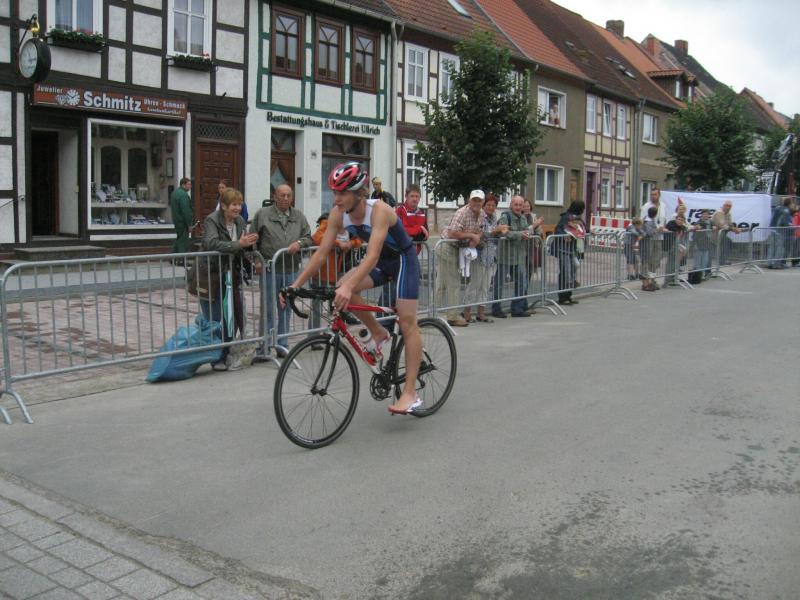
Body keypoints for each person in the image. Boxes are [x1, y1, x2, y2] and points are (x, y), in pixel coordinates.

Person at [284, 162, 424, 415]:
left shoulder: (379, 210)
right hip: (382, 262)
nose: (336, 198)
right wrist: (294, 285)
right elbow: (321, 253)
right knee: (341, 287)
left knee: (407, 322)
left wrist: (349, 286)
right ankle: (378, 332)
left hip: (403, 260)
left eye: (342, 193)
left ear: (359, 193)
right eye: (334, 192)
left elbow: (371, 255)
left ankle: (410, 393)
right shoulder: (338, 214)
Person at [250, 184, 312, 355]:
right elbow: (252, 238)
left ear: (292, 197)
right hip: (269, 269)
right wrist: (256, 260)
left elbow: (308, 237)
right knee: (268, 309)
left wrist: (299, 243)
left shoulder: (298, 216)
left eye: (288, 195)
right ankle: (264, 347)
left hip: (290, 269)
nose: (285, 198)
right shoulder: (263, 214)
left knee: (286, 308)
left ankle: (282, 344)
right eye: (282, 195)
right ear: (274, 196)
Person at [201, 188, 258, 371]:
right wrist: (238, 244)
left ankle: (226, 353)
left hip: (232, 274)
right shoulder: (212, 220)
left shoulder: (240, 221)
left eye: (239, 204)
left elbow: (242, 246)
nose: (237, 208)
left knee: (231, 316)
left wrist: (250, 244)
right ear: (224, 205)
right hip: (213, 274)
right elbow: (211, 243)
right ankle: (215, 356)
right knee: (216, 316)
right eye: (234, 204)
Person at [438, 190, 486, 327]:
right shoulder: (462, 213)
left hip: (456, 248)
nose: (476, 203)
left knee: (441, 283)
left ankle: (433, 312)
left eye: (479, 200)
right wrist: (472, 236)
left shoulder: (482, 214)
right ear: (469, 201)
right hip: (448, 247)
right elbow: (452, 233)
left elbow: (480, 230)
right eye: (474, 200)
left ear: (483, 202)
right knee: (453, 283)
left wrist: (476, 239)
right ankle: (452, 317)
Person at [308, 212, 362, 331]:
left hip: (340, 269)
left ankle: (336, 332)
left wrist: (351, 243)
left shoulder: (351, 226)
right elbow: (317, 238)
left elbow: (360, 239)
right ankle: (313, 334)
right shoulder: (326, 222)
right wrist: (338, 243)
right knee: (317, 305)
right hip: (322, 271)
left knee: (339, 303)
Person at [463, 193, 507, 323]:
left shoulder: (494, 218)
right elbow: (479, 234)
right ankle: (466, 312)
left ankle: (481, 313)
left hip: (490, 256)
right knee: (475, 284)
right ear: (484, 205)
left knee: (485, 286)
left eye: (493, 205)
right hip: (479, 254)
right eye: (488, 205)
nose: (491, 207)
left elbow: (495, 237)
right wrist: (495, 231)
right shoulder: (479, 216)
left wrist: (501, 233)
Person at [492, 195, 534, 317]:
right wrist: (520, 234)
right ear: (511, 205)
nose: (518, 207)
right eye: (516, 204)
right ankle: (496, 309)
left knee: (521, 283)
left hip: (519, 256)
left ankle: (517, 309)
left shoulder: (523, 218)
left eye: (520, 205)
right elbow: (505, 233)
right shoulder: (505, 217)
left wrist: (527, 234)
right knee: (499, 284)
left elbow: (526, 231)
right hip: (505, 256)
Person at [553, 201, 586, 305]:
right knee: (565, 272)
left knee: (572, 270)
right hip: (564, 249)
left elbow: (582, 229)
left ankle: (568, 295)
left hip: (573, 249)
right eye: (582, 208)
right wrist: (564, 235)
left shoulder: (577, 218)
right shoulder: (566, 217)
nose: (583, 211)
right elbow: (558, 229)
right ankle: (563, 297)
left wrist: (589, 231)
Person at [711, 200, 742, 266]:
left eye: (730, 206)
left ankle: (722, 260)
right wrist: (734, 229)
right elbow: (722, 225)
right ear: (723, 205)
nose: (728, 207)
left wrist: (735, 229)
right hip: (714, 234)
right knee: (726, 242)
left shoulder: (728, 214)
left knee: (727, 243)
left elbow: (730, 224)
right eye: (727, 206)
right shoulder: (719, 213)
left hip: (721, 233)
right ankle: (721, 261)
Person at [521, 198, 545, 279]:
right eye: (524, 206)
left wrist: (538, 226)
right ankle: (523, 286)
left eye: (528, 206)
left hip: (531, 247)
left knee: (530, 268)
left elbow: (539, 232)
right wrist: (535, 225)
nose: (526, 208)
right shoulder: (519, 217)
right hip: (522, 247)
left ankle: (526, 285)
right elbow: (524, 231)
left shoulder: (533, 216)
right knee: (522, 270)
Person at [641, 206, 662, 291]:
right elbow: (649, 233)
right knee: (646, 262)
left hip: (654, 241)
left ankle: (651, 281)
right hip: (648, 243)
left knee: (653, 262)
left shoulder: (651, 221)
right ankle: (645, 284)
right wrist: (657, 230)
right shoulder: (647, 222)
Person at [766, 197, 792, 269]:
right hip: (779, 230)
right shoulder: (786, 210)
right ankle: (776, 264)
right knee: (780, 247)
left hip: (772, 229)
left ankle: (769, 263)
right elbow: (785, 222)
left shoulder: (777, 208)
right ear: (789, 203)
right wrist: (791, 225)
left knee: (772, 246)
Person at [169, 177, 193, 254]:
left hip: (177, 221)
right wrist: (189, 224)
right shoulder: (183, 195)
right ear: (183, 185)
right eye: (189, 184)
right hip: (183, 223)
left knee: (179, 240)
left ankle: (173, 257)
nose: (190, 186)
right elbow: (186, 211)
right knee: (183, 242)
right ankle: (181, 258)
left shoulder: (175, 193)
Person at [665, 213, 690, 285]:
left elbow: (685, 228)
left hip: (676, 246)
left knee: (676, 263)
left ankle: (674, 278)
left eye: (681, 220)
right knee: (670, 263)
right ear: (675, 219)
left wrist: (682, 229)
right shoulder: (671, 223)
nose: (679, 221)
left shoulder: (682, 227)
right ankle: (667, 280)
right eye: (678, 219)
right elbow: (671, 228)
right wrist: (678, 231)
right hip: (669, 246)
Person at [691, 209, 714, 280]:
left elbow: (714, 227)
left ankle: (702, 275)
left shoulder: (710, 222)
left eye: (707, 214)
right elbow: (694, 234)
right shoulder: (698, 222)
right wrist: (694, 244)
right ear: (701, 215)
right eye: (704, 214)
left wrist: (715, 227)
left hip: (707, 244)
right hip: (699, 244)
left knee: (705, 261)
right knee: (698, 262)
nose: (706, 215)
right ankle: (697, 276)